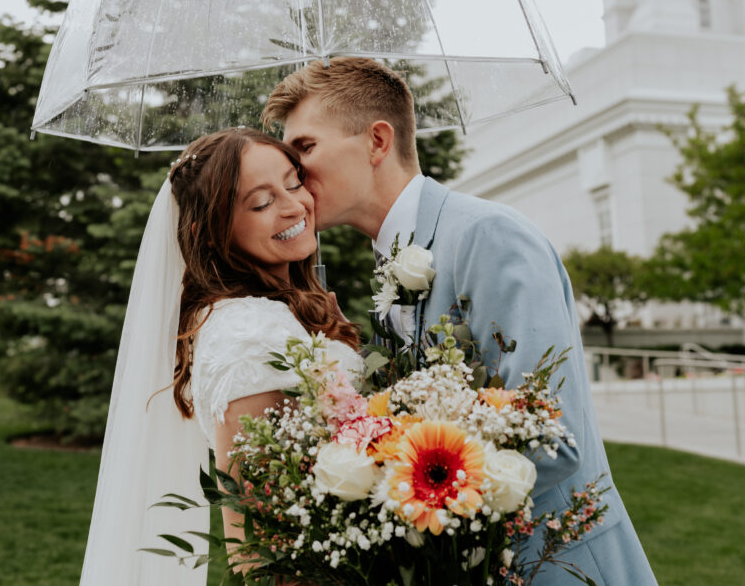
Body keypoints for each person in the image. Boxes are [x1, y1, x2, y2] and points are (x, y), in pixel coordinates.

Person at [263, 57, 657, 585]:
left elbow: (553, 438)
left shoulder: (488, 237)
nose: (296, 174)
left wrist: (395, 480)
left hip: (558, 565)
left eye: (305, 148)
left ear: (377, 142)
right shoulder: (390, 262)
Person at [79, 128, 363, 585]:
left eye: (293, 183)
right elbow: (256, 547)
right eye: (260, 202)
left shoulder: (276, 316)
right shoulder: (247, 334)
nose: (294, 206)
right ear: (211, 234)